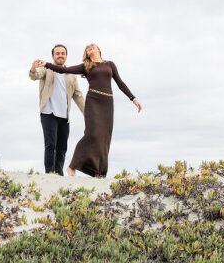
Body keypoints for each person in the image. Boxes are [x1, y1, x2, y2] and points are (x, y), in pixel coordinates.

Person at [37, 43, 141, 177]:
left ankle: (99, 172)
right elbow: (63, 70)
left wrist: (133, 98)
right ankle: (72, 166)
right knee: (92, 134)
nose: (90, 47)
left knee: (104, 137)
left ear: (99, 49)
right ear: (87, 53)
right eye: (87, 47)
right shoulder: (86, 66)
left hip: (108, 103)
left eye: (93, 46)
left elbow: (120, 83)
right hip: (93, 101)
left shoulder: (110, 64)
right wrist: (46, 64)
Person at [29, 44, 86, 175]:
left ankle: (59, 173)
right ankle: (49, 173)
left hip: (64, 115)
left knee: (62, 147)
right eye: (57, 53)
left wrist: (87, 113)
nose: (60, 55)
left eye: (63, 53)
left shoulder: (71, 74)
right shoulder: (46, 69)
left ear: (66, 56)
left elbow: (78, 95)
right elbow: (34, 76)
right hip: (48, 112)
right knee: (50, 144)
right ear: (53, 56)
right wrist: (33, 68)